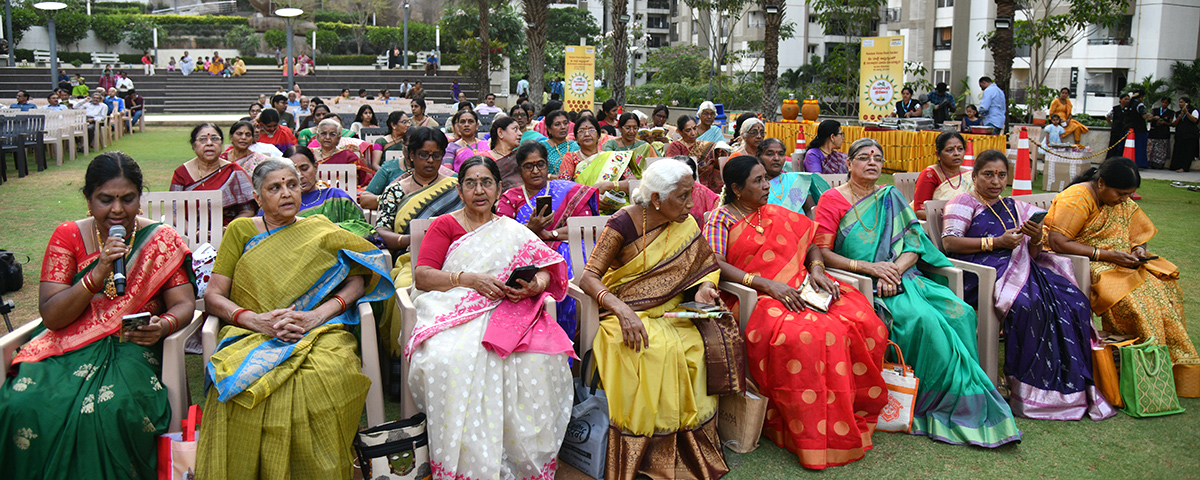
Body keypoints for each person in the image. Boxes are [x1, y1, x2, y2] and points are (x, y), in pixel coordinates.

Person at [812, 137, 1020, 447]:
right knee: (923, 321)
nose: (872, 162)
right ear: (848, 163)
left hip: (903, 276)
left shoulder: (890, 197)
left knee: (962, 313)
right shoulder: (832, 199)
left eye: (877, 158)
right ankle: (928, 403)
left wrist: (893, 269)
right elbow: (823, 252)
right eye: (864, 157)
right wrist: (870, 269)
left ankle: (967, 393)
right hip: (860, 280)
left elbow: (915, 244)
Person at [0, 153, 196, 479]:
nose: (117, 210)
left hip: (131, 347)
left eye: (127, 199)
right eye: (105, 199)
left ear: (139, 198)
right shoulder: (68, 236)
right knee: (24, 404)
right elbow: (51, 315)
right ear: (88, 199)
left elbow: (184, 303)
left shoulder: (161, 240)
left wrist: (164, 325)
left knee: (112, 408)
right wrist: (99, 271)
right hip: (64, 344)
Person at [196, 158, 393, 479]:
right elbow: (214, 295)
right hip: (253, 332)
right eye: (274, 188)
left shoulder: (320, 229)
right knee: (239, 392)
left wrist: (316, 315)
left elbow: (359, 278)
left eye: (292, 184)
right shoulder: (241, 230)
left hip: (320, 330)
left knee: (328, 376)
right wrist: (255, 320)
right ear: (257, 197)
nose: (287, 193)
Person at [701, 156, 886, 469]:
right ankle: (806, 425)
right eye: (757, 181)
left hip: (799, 285)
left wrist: (816, 270)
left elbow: (810, 240)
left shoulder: (775, 211)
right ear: (735, 188)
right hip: (752, 297)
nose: (766, 186)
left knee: (861, 319)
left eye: (766, 178)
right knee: (808, 335)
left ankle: (847, 408)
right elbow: (715, 262)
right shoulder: (721, 218)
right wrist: (766, 285)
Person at [407, 156, 572, 479]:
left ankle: (522, 463)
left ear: (499, 189)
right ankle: (468, 462)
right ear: (460, 189)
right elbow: (424, 276)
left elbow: (545, 271)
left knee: (538, 361)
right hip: (454, 307)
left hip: (510, 310)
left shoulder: (510, 229)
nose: (478, 190)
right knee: (453, 358)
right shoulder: (446, 225)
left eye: (486, 183)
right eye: (470, 183)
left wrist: (530, 287)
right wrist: (467, 279)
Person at [578, 160, 730, 479]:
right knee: (650, 352)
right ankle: (644, 455)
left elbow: (706, 264)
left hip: (672, 309)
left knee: (698, 344)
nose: (691, 203)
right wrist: (622, 310)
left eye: (691, 194)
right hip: (623, 312)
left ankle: (688, 448)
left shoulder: (686, 223)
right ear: (657, 199)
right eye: (683, 196)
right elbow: (588, 277)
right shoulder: (624, 222)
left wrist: (704, 288)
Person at [941, 149, 1114, 420]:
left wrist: (1033, 239)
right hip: (979, 275)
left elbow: (1032, 255)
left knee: (1075, 302)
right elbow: (950, 243)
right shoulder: (963, 202)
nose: (995, 181)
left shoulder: (1014, 206)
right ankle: (1028, 389)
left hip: (1022, 271)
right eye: (988, 175)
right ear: (974, 176)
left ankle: (1070, 385)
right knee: (1026, 305)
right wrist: (995, 243)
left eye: (1001, 175)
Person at [1045, 157, 1198, 363]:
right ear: (1101, 183)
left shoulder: (1119, 199)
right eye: (1121, 193)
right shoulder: (1077, 197)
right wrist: (1108, 255)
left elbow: (1138, 233)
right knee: (1133, 298)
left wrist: (1138, 250)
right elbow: (1057, 242)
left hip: (1117, 260)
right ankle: (1135, 359)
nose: (1125, 199)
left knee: (1164, 285)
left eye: (1129, 194)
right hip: (1078, 260)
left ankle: (1170, 359)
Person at [497, 141, 599, 336]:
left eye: (540, 164)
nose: (536, 171)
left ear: (547, 165)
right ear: (519, 171)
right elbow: (503, 237)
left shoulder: (568, 190)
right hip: (528, 259)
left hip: (571, 254)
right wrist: (530, 230)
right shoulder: (511, 198)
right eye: (529, 166)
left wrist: (549, 235)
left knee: (575, 253)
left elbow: (586, 229)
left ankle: (579, 333)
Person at [171, 124, 257, 226]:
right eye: (202, 139)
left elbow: (248, 211)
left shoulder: (234, 171)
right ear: (194, 146)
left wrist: (226, 230)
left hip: (227, 233)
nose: (209, 143)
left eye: (215, 139)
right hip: (189, 234)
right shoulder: (182, 173)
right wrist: (196, 233)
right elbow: (174, 213)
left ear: (221, 144)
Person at [285, 146, 377, 240]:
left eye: (304, 169)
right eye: (294, 171)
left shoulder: (336, 196)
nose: (300, 176)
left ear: (315, 167)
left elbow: (364, 228)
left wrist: (330, 229)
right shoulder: (285, 205)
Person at [557, 115, 633, 196]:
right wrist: (591, 197)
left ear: (598, 136)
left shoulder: (613, 158)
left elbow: (633, 183)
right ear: (576, 139)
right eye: (581, 131)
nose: (587, 134)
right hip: (582, 205)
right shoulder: (571, 158)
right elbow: (562, 187)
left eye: (591, 130)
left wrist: (609, 186)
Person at [759, 138, 829, 215]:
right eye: (770, 154)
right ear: (759, 157)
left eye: (781, 154)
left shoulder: (797, 180)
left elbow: (810, 210)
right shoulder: (755, 184)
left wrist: (810, 226)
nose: (777, 158)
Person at [913, 131, 973, 221]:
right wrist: (952, 216)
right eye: (950, 150)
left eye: (960, 149)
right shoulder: (930, 175)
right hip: (938, 226)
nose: (957, 153)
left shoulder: (970, 175)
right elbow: (920, 212)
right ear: (938, 154)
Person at [360, 111, 413, 209]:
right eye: (404, 122)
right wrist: (385, 173)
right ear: (393, 125)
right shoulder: (381, 142)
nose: (407, 125)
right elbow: (375, 164)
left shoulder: (410, 142)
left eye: (408, 122)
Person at [665, 114, 722, 192]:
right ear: (680, 132)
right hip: (685, 182)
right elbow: (672, 169)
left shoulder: (705, 145)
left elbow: (717, 163)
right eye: (688, 130)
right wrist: (696, 170)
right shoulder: (676, 146)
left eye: (695, 129)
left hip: (708, 180)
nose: (693, 133)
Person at [313, 118, 378, 186]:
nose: (327, 137)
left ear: (338, 138)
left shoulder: (347, 155)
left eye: (332, 134)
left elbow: (357, 180)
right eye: (323, 133)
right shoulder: (310, 154)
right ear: (318, 136)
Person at [483, 115, 524, 190]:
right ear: (500, 132)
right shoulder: (484, 158)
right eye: (515, 129)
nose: (520, 133)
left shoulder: (520, 157)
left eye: (519, 130)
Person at [538, 110, 580, 177]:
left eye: (565, 123)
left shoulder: (575, 145)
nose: (563, 127)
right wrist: (550, 177)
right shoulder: (541, 147)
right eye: (557, 124)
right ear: (549, 129)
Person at [1171, 97, 1198, 172]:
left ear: (1187, 103)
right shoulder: (1177, 113)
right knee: (1179, 151)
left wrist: (1187, 113)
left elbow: (1194, 120)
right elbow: (1173, 124)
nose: (1180, 104)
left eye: (1182, 102)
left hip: (1190, 135)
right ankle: (1176, 166)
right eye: (1179, 102)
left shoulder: (1194, 111)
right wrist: (1179, 118)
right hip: (1180, 135)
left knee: (1188, 152)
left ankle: (1185, 167)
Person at [1125, 90, 1151, 168]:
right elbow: (1144, 116)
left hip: (1129, 129)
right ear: (1141, 97)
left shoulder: (1128, 104)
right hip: (1140, 129)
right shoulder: (1140, 105)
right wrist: (1150, 115)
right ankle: (1140, 163)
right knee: (1140, 147)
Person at [1147, 97, 1175, 169]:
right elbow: (1148, 119)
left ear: (1168, 104)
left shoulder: (1171, 112)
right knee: (1151, 149)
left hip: (1163, 133)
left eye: (1166, 103)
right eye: (1163, 102)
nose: (1164, 104)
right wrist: (1154, 118)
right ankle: (1150, 163)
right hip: (1154, 132)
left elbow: (1171, 123)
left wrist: (1164, 122)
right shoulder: (1155, 110)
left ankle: (1159, 165)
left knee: (1161, 150)